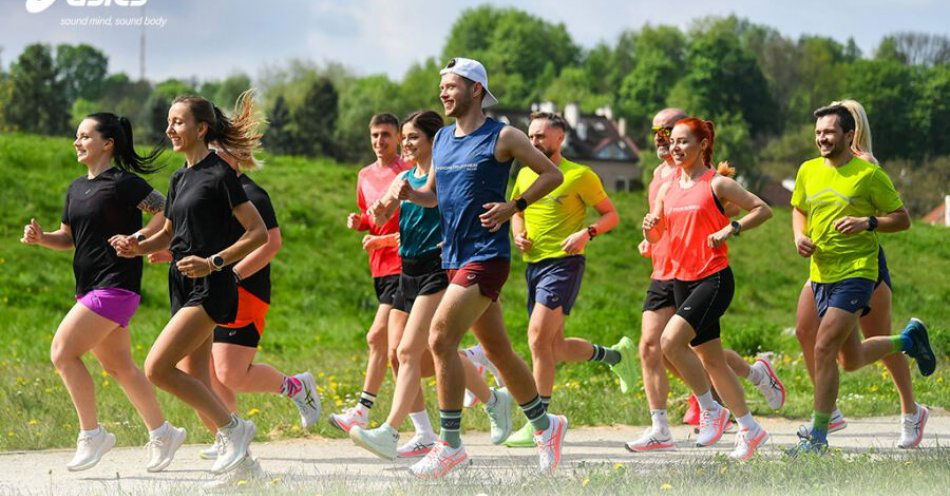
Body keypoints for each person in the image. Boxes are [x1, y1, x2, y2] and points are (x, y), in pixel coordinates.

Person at [396, 57, 566, 478]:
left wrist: (514, 206)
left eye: (451, 86)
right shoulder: (442, 142)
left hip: (487, 256)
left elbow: (552, 175)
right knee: (499, 352)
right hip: (451, 257)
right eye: (441, 88)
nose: (443, 94)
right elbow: (434, 195)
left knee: (439, 337)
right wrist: (410, 195)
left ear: (475, 89)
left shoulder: (502, 136)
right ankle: (547, 427)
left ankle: (450, 444)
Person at [113, 92, 269, 474]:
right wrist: (139, 246)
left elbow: (258, 233)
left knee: (156, 368)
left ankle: (235, 429)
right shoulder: (180, 177)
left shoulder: (221, 175)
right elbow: (169, 230)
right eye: (169, 122)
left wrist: (215, 261)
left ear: (201, 128)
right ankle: (244, 467)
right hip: (182, 285)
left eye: (178, 122)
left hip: (212, 286)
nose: (170, 129)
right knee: (196, 376)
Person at [20, 113, 185, 472]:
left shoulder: (124, 183)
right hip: (89, 288)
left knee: (62, 352)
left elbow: (164, 212)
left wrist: (138, 239)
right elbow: (68, 238)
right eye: (76, 136)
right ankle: (163, 432)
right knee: (119, 367)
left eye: (84, 136)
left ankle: (92, 435)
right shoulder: (76, 188)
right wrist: (42, 238)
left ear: (107, 143)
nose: (77, 142)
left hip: (115, 285)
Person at [146, 129, 321, 461]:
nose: (214, 156)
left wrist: (233, 272)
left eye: (221, 151)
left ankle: (296, 388)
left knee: (229, 373)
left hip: (245, 289)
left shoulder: (251, 194)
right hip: (211, 283)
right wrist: (175, 254)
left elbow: (270, 242)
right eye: (212, 150)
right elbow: (204, 239)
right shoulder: (205, 189)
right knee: (205, 372)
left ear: (238, 156)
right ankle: (228, 438)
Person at [349, 110, 512, 460]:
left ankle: (390, 432)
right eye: (404, 137)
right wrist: (373, 216)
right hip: (405, 271)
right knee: (400, 356)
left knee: (409, 351)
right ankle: (491, 399)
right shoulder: (404, 177)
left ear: (433, 141)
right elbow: (381, 211)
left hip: (437, 270)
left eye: (413, 138)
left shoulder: (445, 180)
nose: (405, 143)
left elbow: (440, 205)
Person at [627, 109, 785, 453]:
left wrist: (731, 228)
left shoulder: (716, 182)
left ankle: (711, 410)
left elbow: (763, 208)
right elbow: (658, 235)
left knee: (670, 343)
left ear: (703, 144)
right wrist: (649, 231)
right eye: (674, 141)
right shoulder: (666, 185)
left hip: (713, 278)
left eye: (683, 140)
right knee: (712, 360)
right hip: (680, 277)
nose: (676, 146)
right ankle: (750, 427)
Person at [789, 103, 935, 454]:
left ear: (849, 133)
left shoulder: (867, 172)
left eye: (829, 131)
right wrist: (799, 236)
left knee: (825, 346)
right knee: (849, 358)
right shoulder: (808, 170)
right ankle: (908, 340)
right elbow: (799, 208)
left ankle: (819, 436)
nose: (822, 137)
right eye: (818, 132)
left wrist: (867, 222)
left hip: (858, 272)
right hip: (821, 272)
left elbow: (903, 219)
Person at [501, 110, 631, 448]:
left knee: (536, 339)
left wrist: (586, 233)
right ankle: (616, 356)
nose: (534, 142)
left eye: (541, 136)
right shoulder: (527, 174)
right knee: (554, 347)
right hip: (534, 265)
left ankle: (540, 422)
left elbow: (611, 215)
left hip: (565, 263)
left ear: (560, 138)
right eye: (531, 136)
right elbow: (518, 212)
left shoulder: (579, 174)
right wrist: (519, 234)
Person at [330, 113, 411, 432]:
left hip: (404, 264)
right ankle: (474, 367)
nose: (379, 141)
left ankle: (365, 412)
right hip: (380, 268)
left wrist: (381, 239)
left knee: (378, 338)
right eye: (375, 135)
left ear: (399, 139)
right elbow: (373, 216)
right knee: (413, 348)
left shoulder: (407, 172)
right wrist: (360, 223)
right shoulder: (364, 174)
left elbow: (413, 223)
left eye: (386, 135)